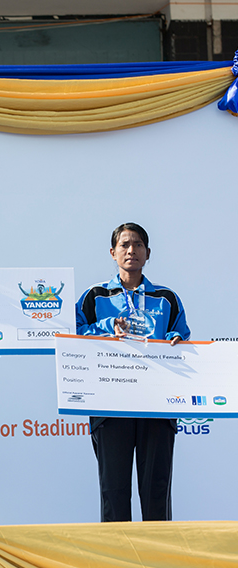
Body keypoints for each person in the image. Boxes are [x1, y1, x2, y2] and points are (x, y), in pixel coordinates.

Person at [76, 223, 190, 522]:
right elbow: (72, 333)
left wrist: (177, 340)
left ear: (148, 253)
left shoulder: (166, 297)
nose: (131, 250)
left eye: (138, 244)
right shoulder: (95, 296)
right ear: (112, 252)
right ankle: (118, 553)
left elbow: (181, 335)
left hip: (157, 403)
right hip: (110, 403)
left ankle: (158, 551)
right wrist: (107, 327)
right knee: (113, 491)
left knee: (156, 491)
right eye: (124, 245)